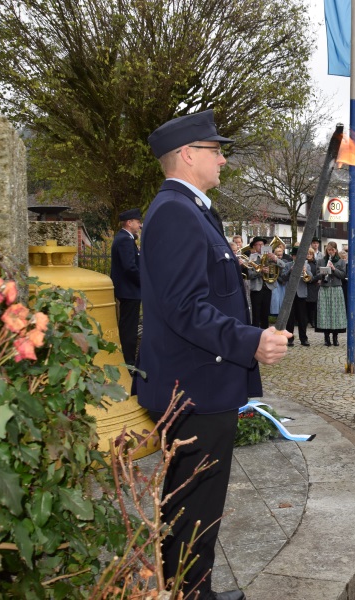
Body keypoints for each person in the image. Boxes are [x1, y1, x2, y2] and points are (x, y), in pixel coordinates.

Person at [139, 109, 290, 600]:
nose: (223, 159)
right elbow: (186, 309)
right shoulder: (176, 213)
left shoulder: (193, 209)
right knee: (192, 504)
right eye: (215, 150)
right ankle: (189, 593)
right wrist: (249, 342)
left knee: (194, 503)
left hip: (201, 385)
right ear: (187, 155)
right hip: (194, 391)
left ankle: (190, 587)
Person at [110, 207, 142, 375]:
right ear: (129, 223)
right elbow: (130, 267)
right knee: (129, 328)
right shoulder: (124, 240)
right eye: (137, 222)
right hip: (130, 291)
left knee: (128, 326)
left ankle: (128, 360)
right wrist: (143, 281)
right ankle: (128, 363)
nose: (139, 225)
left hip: (129, 290)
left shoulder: (125, 238)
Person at [316, 241, 347, 346]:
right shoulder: (321, 261)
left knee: (335, 313)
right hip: (324, 288)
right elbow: (317, 275)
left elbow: (343, 275)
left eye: (332, 250)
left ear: (336, 250)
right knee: (325, 313)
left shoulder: (341, 262)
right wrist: (323, 272)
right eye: (329, 250)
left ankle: (335, 338)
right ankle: (326, 338)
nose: (331, 252)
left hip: (336, 288)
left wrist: (333, 269)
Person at [281, 255, 312, 347]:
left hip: (301, 293)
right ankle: (289, 339)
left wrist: (305, 270)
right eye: (295, 256)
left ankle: (304, 339)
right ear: (293, 256)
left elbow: (310, 278)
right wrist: (290, 270)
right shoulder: (287, 265)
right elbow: (283, 277)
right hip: (290, 294)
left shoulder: (306, 265)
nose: (297, 257)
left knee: (302, 318)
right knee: (290, 318)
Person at [248, 236, 276, 328]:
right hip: (256, 289)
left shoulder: (270, 256)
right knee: (256, 314)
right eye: (257, 244)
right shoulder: (252, 258)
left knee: (265, 314)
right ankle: (255, 335)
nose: (260, 246)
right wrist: (260, 271)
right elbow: (250, 275)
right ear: (254, 247)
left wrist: (274, 260)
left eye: (262, 244)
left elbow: (281, 267)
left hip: (267, 287)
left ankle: (265, 334)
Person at [268, 241, 291, 318]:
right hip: (276, 282)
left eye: (281, 255)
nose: (279, 256)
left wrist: (277, 260)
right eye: (278, 255)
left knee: (282, 298)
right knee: (275, 298)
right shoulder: (271, 262)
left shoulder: (284, 261)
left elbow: (284, 267)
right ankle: (274, 314)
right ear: (274, 254)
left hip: (283, 282)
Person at [305, 247, 319, 329]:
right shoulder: (304, 263)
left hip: (314, 286)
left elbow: (318, 274)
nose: (309, 255)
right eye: (307, 254)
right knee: (306, 305)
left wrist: (314, 279)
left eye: (310, 254)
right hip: (306, 285)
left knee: (313, 305)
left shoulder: (316, 263)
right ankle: (307, 320)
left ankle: (313, 321)